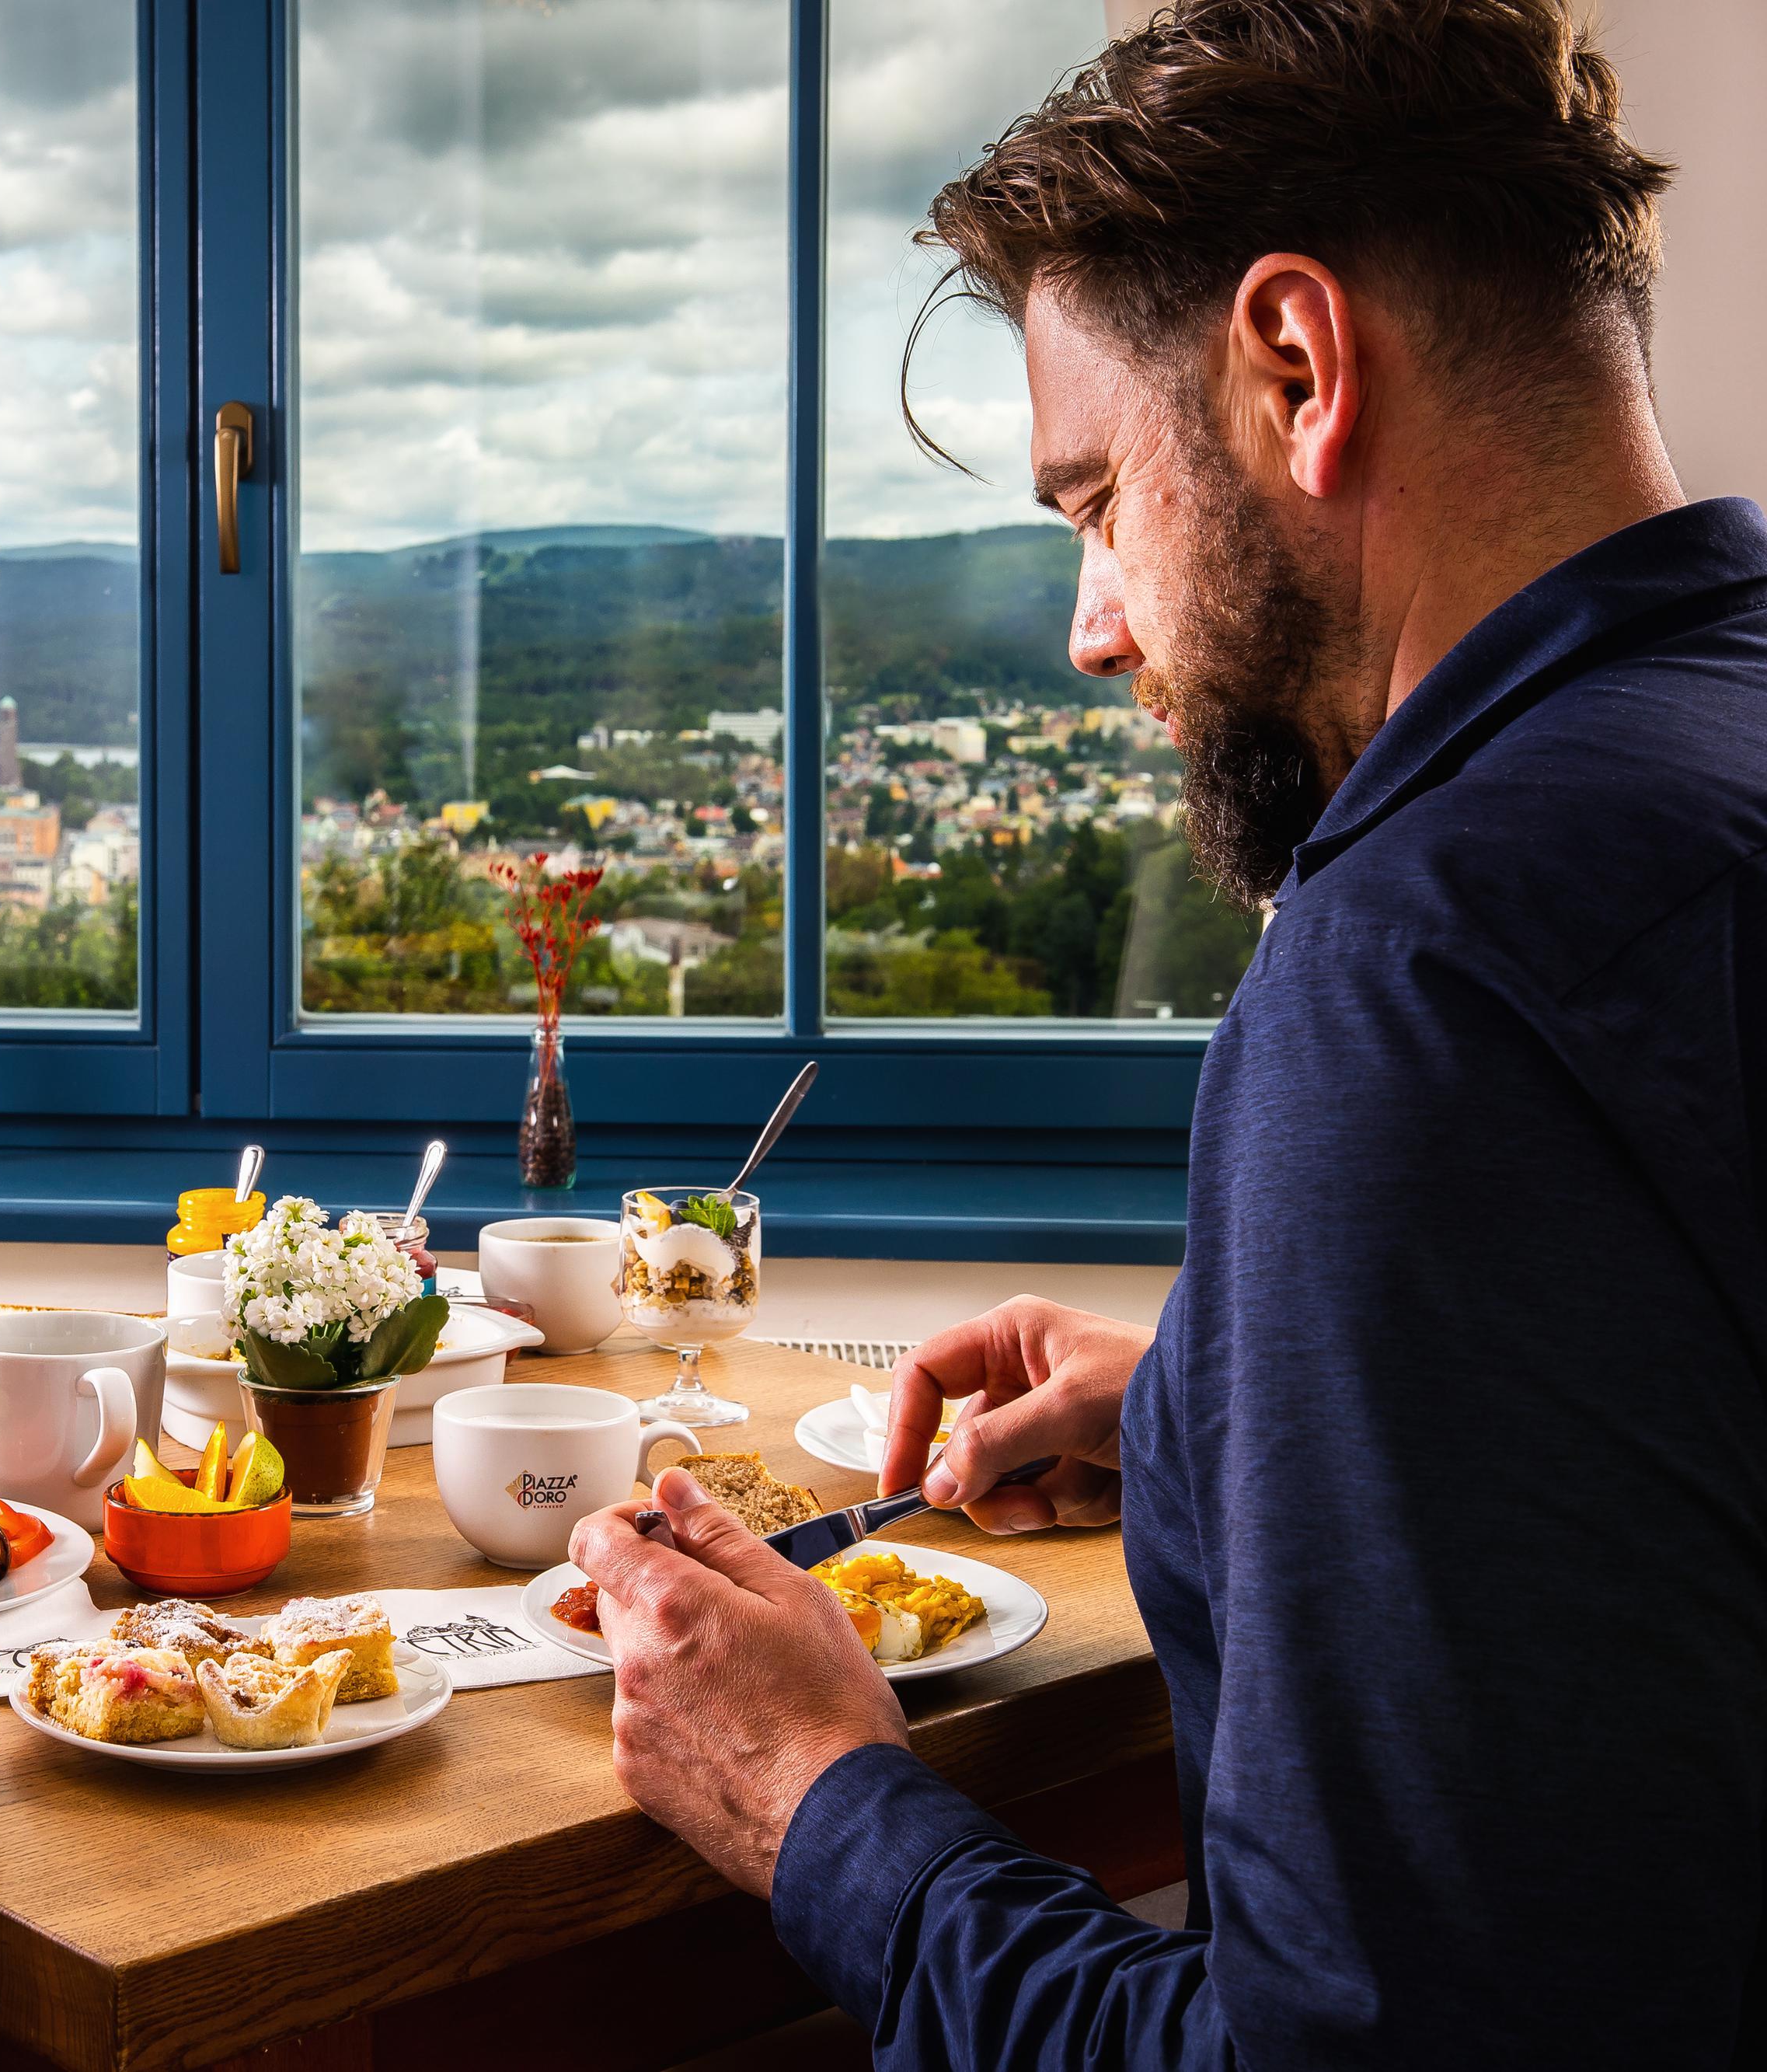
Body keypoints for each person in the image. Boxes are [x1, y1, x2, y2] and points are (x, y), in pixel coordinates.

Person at [573, 2, 1767, 2063]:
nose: (1091, 623)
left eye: (1095, 499)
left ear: (1296, 369)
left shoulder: (1417, 976)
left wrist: (818, 1807)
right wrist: (1221, 1403)